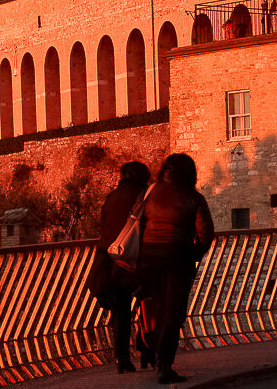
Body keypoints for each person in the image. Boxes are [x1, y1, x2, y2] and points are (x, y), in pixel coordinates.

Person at [138, 153, 215, 384]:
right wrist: (194, 254)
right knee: (173, 314)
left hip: (148, 258)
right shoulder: (194, 198)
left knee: (155, 308)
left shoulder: (150, 193)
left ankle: (148, 350)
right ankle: (164, 365)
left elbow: (137, 221)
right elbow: (205, 234)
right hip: (177, 259)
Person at [87, 160, 151, 373]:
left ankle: (121, 358)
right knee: (148, 303)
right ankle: (147, 350)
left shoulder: (112, 197)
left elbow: (104, 227)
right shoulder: (147, 197)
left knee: (120, 312)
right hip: (140, 261)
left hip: (112, 261)